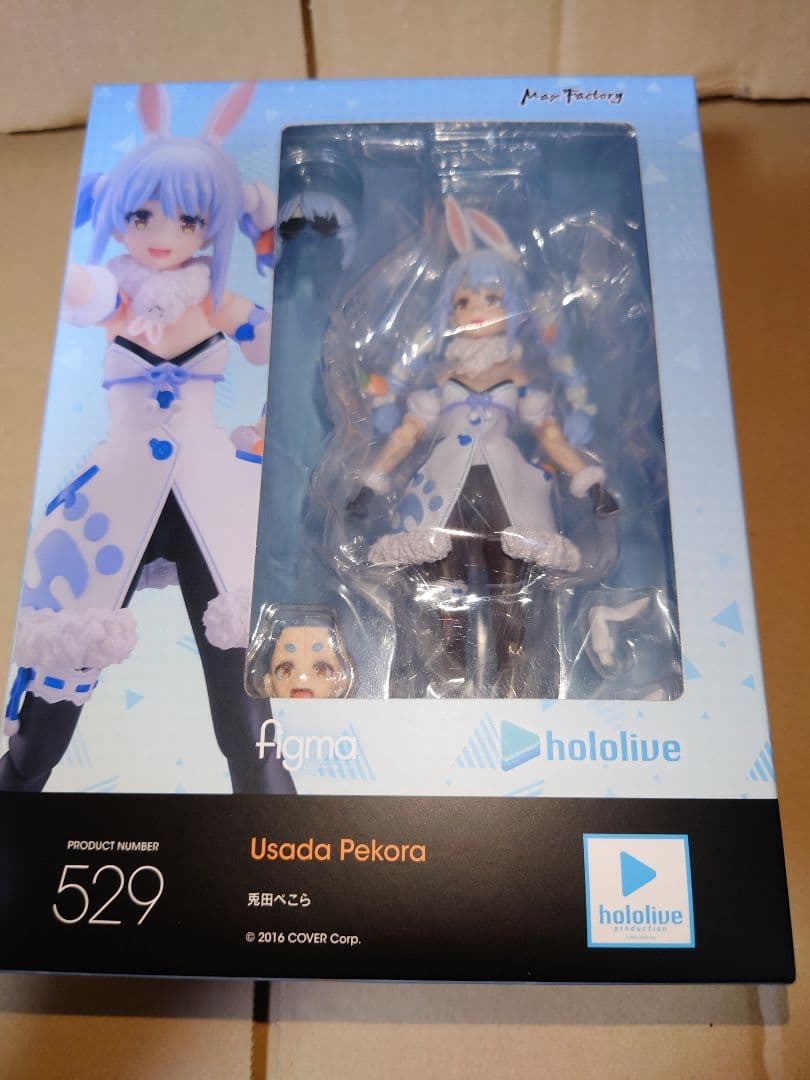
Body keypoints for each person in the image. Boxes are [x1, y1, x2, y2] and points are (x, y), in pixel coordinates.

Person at [1, 83, 293, 793]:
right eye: (141, 214)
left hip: (210, 498)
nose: (164, 232)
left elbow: (281, 342)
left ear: (210, 224)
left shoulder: (219, 303)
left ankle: (274, 826)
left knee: (240, 685)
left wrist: (277, 233)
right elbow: (76, 290)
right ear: (119, 214)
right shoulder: (114, 295)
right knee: (58, 680)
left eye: (190, 217)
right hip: (116, 499)